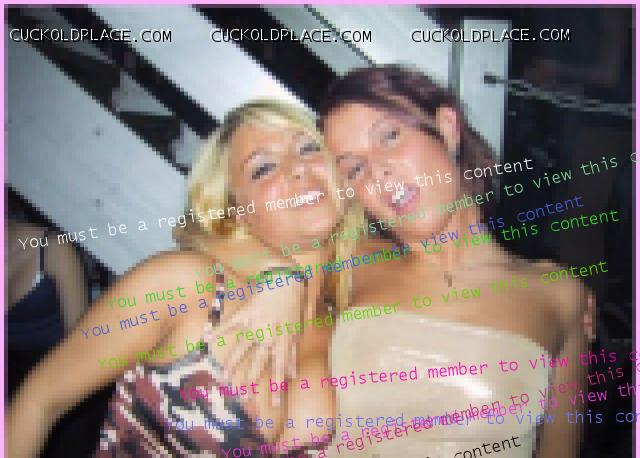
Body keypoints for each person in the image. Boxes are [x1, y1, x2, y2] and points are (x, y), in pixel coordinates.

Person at [7, 99, 354, 457]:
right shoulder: (187, 286)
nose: (297, 168)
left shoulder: (351, 322)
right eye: (263, 168)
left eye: (308, 148)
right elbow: (38, 402)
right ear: (235, 210)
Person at [319, 65, 593, 457]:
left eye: (389, 136)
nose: (379, 171)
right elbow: (238, 244)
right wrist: (276, 287)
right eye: (355, 169)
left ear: (447, 127)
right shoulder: (348, 259)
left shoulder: (558, 295)